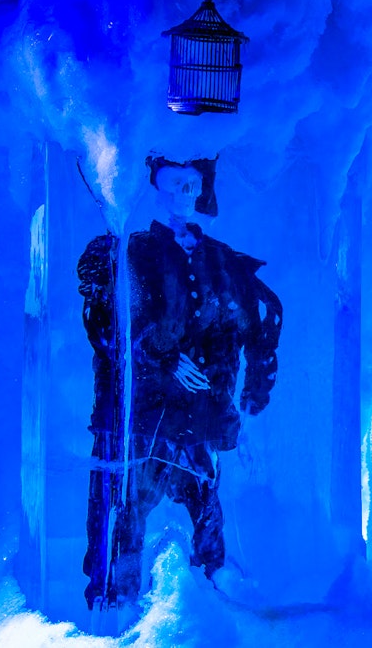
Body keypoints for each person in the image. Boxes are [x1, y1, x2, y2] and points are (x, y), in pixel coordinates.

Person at [77, 155, 282, 609]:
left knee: (207, 514)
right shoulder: (129, 252)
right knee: (127, 515)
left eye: (192, 182)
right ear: (155, 185)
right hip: (142, 419)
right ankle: (120, 606)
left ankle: (213, 605)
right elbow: (105, 325)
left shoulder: (222, 261)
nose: (185, 193)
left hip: (197, 419)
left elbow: (261, 315)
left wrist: (251, 393)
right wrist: (158, 354)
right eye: (174, 182)